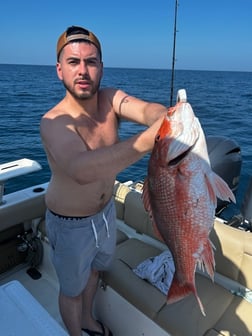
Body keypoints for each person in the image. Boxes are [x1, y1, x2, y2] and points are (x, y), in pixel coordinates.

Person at [40, 25, 167, 336]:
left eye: (91, 61)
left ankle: (88, 321)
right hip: (70, 225)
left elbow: (150, 111)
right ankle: (75, 332)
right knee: (71, 290)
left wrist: (167, 116)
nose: (83, 70)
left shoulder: (110, 99)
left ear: (101, 67)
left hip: (106, 213)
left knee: (95, 272)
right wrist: (151, 140)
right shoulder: (52, 122)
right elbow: (82, 169)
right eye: (73, 62)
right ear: (59, 70)